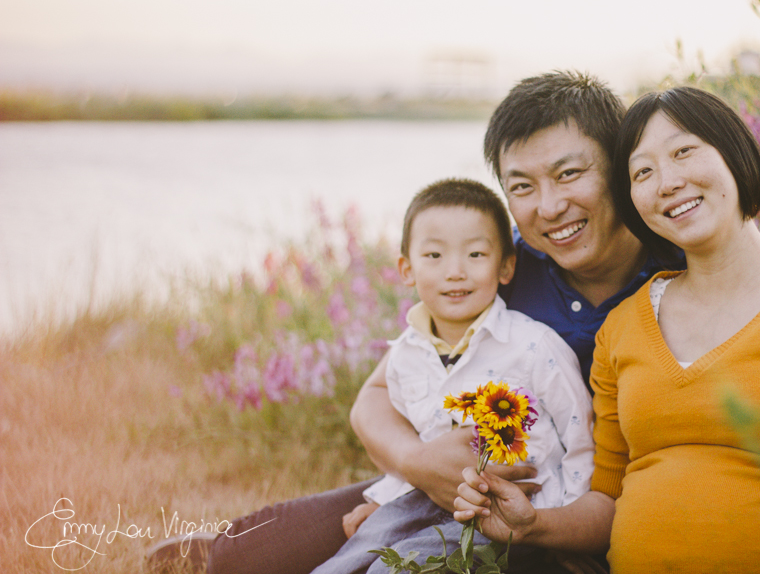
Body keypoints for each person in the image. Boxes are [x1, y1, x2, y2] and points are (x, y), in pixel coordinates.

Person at [201, 71, 660, 574]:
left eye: (569, 174)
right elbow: (374, 400)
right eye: (522, 186)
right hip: (462, 487)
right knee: (236, 553)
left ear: (618, 166)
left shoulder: (676, 269)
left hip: (573, 513)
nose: (549, 207)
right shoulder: (498, 264)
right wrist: (420, 468)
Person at [453, 86, 760, 574]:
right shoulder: (623, 327)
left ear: (735, 152)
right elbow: (608, 499)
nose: (666, 182)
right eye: (642, 172)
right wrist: (531, 524)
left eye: (683, 152)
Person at [308, 177, 594, 574]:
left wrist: (568, 530)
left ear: (506, 265)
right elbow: (422, 445)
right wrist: (384, 498)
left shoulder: (533, 346)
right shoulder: (407, 352)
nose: (455, 272)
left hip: (509, 510)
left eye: (476, 254)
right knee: (348, 559)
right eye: (434, 256)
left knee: (393, 570)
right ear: (406, 269)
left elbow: (580, 438)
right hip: (423, 498)